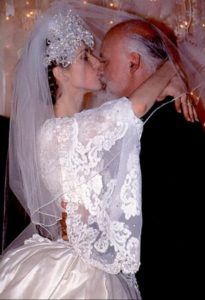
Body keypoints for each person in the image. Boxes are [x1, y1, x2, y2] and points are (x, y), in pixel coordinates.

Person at [0, 2, 178, 299]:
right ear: (61, 73)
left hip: (80, 261)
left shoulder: (78, 126)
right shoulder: (61, 132)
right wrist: (172, 68)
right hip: (77, 272)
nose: (98, 63)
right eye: (85, 56)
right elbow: (135, 108)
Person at [99, 19, 205, 300]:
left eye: (106, 60)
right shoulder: (139, 117)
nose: (101, 70)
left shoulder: (169, 117)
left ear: (133, 62)